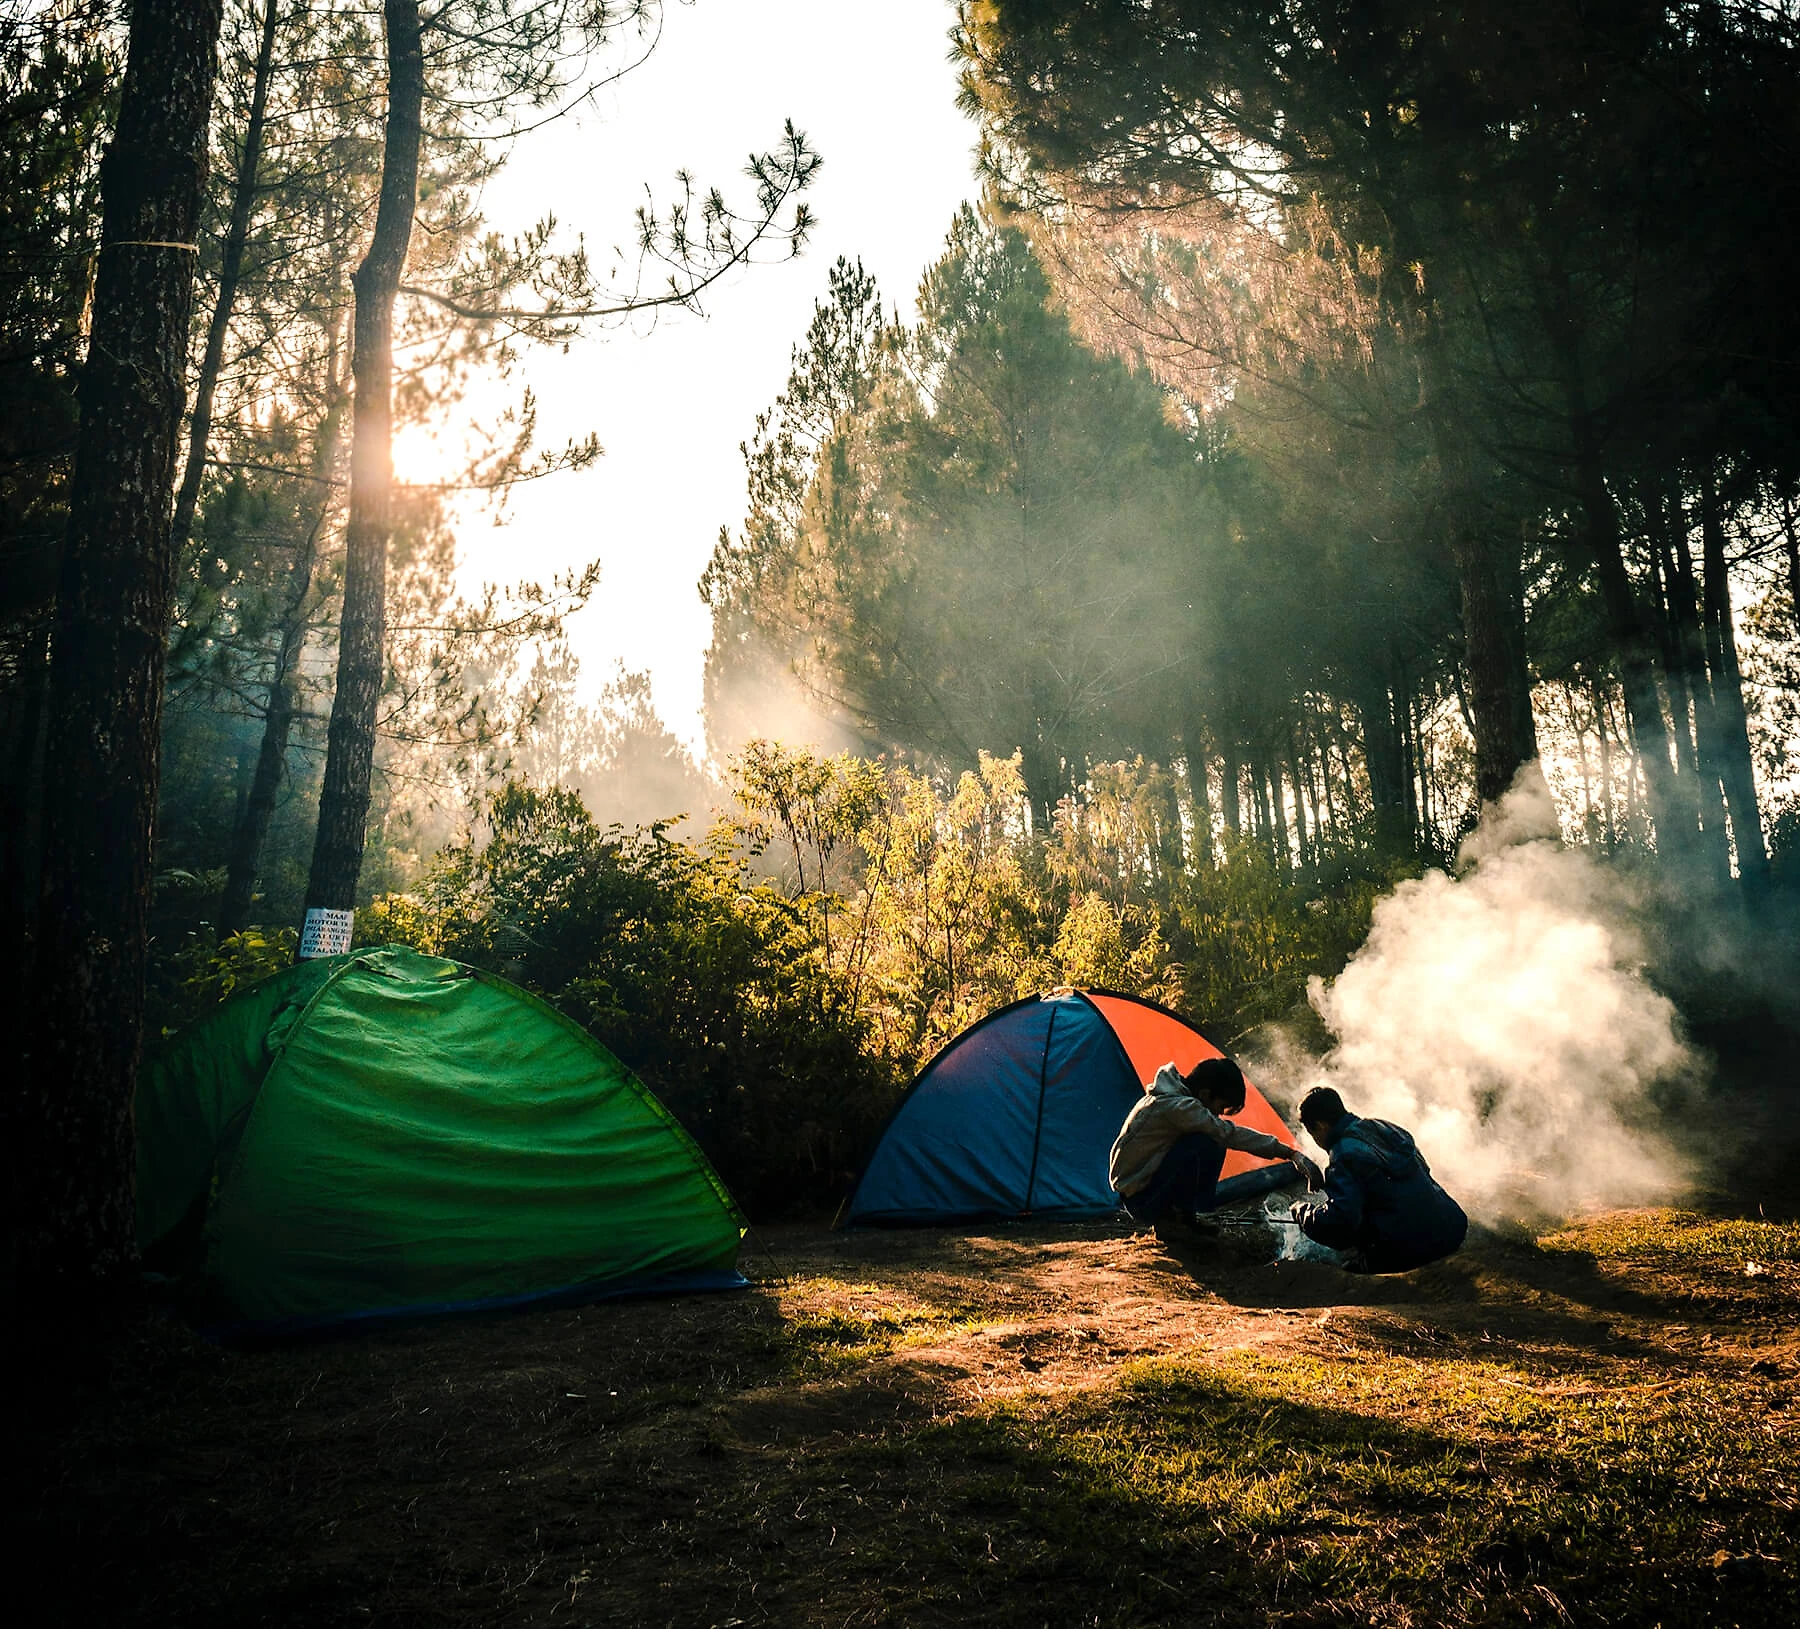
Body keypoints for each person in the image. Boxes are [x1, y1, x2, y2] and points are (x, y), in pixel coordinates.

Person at [1110, 1055, 1317, 1236]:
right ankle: (1181, 1220)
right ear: (1205, 1094)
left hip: (1143, 1193)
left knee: (1209, 1138)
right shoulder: (1178, 1108)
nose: (1218, 1114)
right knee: (1207, 1141)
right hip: (1143, 1202)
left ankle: (1186, 1217)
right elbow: (1229, 1133)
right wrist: (1290, 1153)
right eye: (1220, 1107)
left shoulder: (1172, 1096)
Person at [1290, 1086, 1468, 1272]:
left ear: (1320, 1126)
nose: (1316, 1141)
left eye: (1313, 1134)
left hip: (1411, 1250)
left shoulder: (1343, 1154)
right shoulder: (1383, 1127)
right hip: (1451, 1229)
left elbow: (1340, 1224)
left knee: (1348, 1266)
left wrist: (1302, 1212)